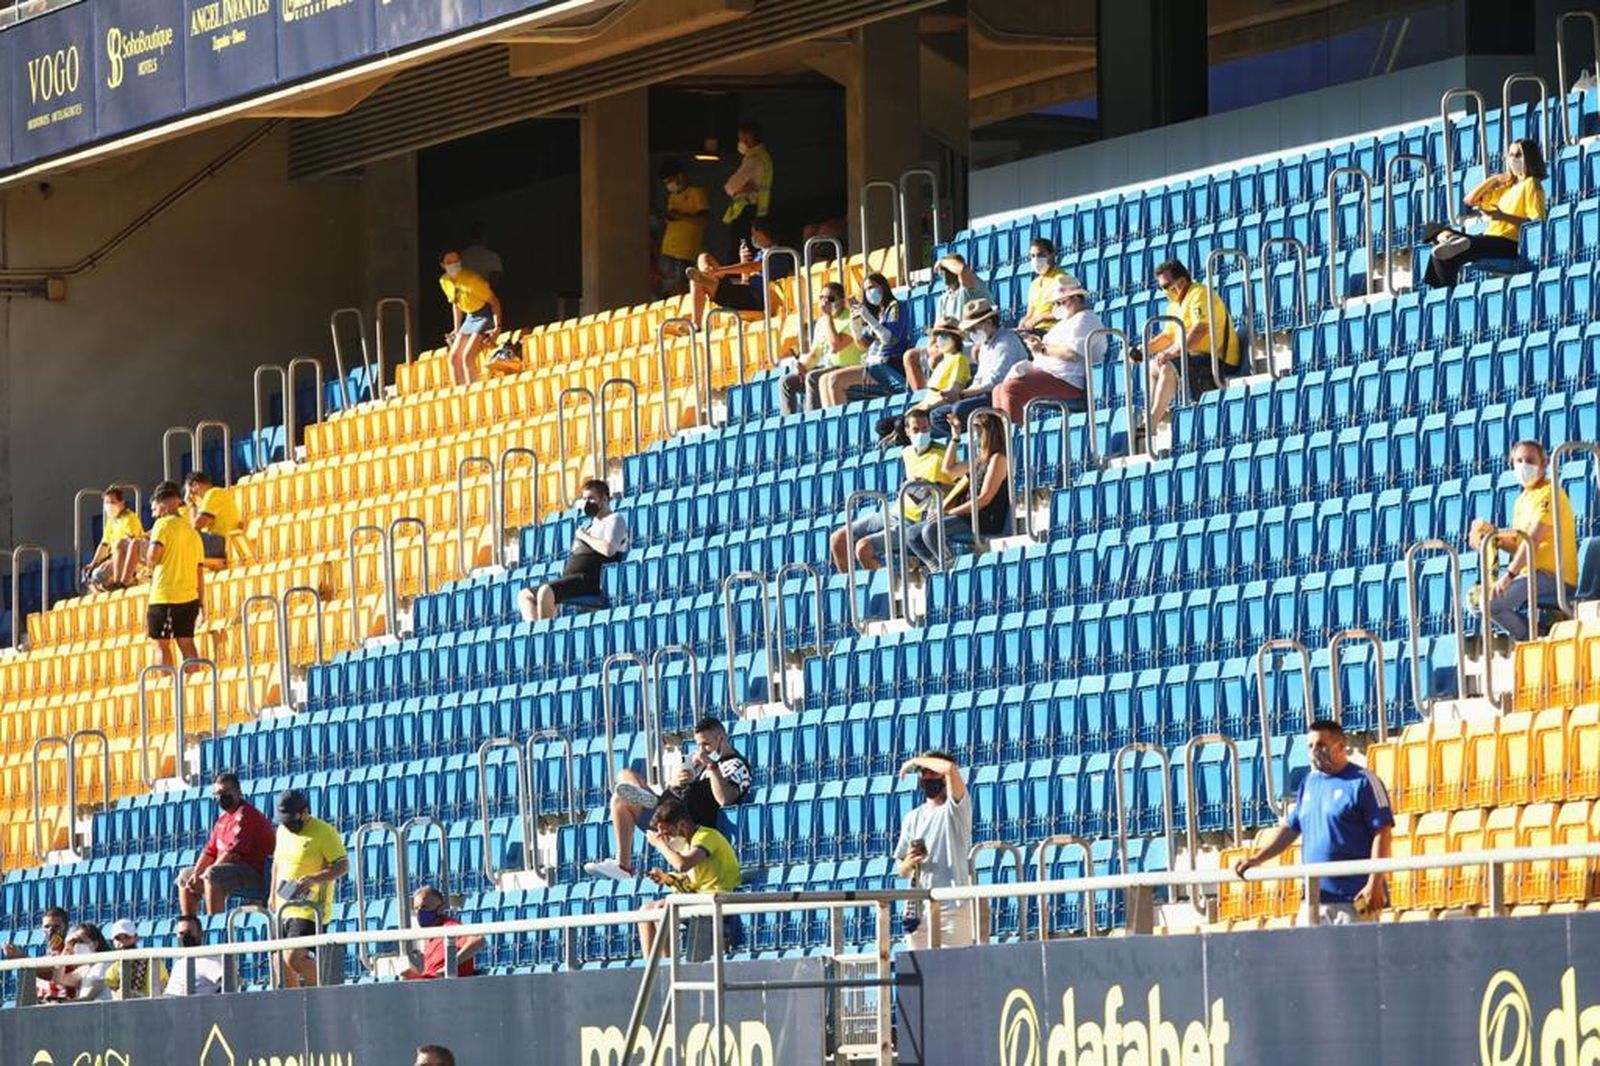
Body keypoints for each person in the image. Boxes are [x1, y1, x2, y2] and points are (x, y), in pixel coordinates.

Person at [1233, 720, 1393, 926]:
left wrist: (1375, 882)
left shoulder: (1363, 781)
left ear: (1341, 746)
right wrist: (1257, 858)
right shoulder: (1309, 782)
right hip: (1313, 897)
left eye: (1321, 745)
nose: (1314, 751)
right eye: (1310, 746)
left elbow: (1383, 832)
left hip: (1354, 897)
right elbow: (1291, 828)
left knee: (1358, 958)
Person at [585, 716, 751, 881]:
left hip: (682, 823)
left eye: (706, 744)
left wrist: (711, 766)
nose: (701, 750)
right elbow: (675, 786)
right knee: (625, 774)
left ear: (721, 739)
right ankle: (643, 796)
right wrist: (676, 780)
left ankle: (623, 866)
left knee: (619, 799)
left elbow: (725, 799)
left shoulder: (735, 765)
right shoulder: (698, 759)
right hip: (669, 804)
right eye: (698, 745)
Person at [1468, 439, 1580, 642]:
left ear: (1544, 464)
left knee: (1491, 603)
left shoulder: (1551, 493)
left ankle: (1535, 636)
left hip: (1554, 576)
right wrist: (1493, 537)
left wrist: (1508, 576)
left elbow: (1533, 540)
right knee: (1480, 601)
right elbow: (1520, 546)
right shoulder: (1521, 501)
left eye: (1530, 460)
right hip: (1531, 574)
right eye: (1519, 460)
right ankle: (1537, 633)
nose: (1524, 466)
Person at [829, 407, 956, 574]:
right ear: (907, 432)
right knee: (838, 538)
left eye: (925, 429)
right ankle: (850, 592)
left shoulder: (942, 456)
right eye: (916, 430)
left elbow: (959, 488)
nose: (921, 434)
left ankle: (882, 591)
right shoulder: (908, 452)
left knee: (863, 548)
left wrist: (934, 486)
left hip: (915, 521)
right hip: (894, 512)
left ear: (930, 428)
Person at [1424, 138, 1547, 289]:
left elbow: (1537, 223)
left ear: (1529, 158)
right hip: (1490, 238)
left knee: (1451, 253)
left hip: (1510, 243)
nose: (1513, 159)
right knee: (1432, 229)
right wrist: (1494, 179)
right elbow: (1470, 200)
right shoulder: (1507, 188)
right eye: (1510, 155)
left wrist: (1503, 217)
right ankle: (1449, 239)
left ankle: (1443, 295)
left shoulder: (1532, 184)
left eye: (1518, 155)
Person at [1140, 258, 1242, 435]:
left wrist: (1172, 352)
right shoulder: (1175, 304)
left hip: (1219, 359)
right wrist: (1143, 350)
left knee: (1168, 367)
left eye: (1166, 286)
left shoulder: (1199, 294)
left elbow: (1199, 329)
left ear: (1181, 281)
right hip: (1196, 358)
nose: (1164, 291)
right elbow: (1168, 336)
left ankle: (1152, 422)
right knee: (1152, 366)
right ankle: (1151, 415)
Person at [634, 797, 743, 959]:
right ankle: (649, 967)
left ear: (682, 825)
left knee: (661, 909)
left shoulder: (706, 836)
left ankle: (668, 965)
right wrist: (666, 878)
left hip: (720, 897)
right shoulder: (687, 844)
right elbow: (691, 882)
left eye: (668, 832)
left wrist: (661, 845)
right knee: (645, 910)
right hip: (700, 898)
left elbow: (682, 865)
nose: (667, 838)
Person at [905, 411, 1012, 571]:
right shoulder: (979, 460)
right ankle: (937, 567)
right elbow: (949, 469)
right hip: (967, 514)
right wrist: (955, 436)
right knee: (912, 534)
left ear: (989, 432)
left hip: (984, 517)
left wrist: (949, 513)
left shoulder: (998, 459)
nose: (974, 436)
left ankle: (951, 567)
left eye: (977, 431)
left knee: (931, 530)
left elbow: (984, 499)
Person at [994, 273, 1105, 423]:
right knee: (998, 390)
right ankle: (1000, 439)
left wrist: (1043, 349)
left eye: (1061, 302)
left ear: (1076, 298)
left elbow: (1071, 354)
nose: (1057, 307)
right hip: (1050, 375)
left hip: (1068, 379)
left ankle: (1012, 440)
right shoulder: (1063, 323)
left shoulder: (1085, 318)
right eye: (1056, 303)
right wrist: (1036, 347)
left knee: (1011, 389)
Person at [517, 479, 630, 622]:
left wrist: (584, 537)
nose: (587, 503)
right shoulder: (590, 525)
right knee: (525, 595)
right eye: (584, 499)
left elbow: (609, 550)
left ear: (604, 499)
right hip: (571, 578)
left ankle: (546, 637)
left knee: (545, 592)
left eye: (591, 498)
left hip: (589, 579)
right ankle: (536, 637)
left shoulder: (615, 519)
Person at [892, 752, 974, 949]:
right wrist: (909, 863)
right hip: (919, 910)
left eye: (933, 772)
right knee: (920, 976)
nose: (928, 777)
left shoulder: (955, 809)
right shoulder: (913, 818)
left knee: (955, 972)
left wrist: (913, 762)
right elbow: (900, 869)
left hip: (952, 907)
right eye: (924, 773)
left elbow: (950, 769)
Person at [271, 788, 349, 989]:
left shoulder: (325, 832)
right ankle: (295, 1007)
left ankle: (329, 991)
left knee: (294, 957)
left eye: (292, 819)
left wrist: (315, 879)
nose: (288, 825)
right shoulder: (282, 831)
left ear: (305, 812)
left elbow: (342, 865)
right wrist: (272, 895)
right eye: (284, 820)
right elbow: (277, 864)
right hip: (283, 905)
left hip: (309, 908)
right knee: (279, 961)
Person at [926, 298, 1028, 437]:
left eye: (974, 328)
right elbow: (979, 379)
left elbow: (995, 381)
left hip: (1002, 394)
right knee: (937, 415)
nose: (971, 333)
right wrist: (961, 394)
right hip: (983, 393)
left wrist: (962, 395)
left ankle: (986, 436)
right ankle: (979, 436)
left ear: (988, 323)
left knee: (958, 409)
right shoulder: (985, 346)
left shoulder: (1006, 341)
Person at [177, 772, 275, 916]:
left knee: (212, 874)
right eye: (217, 794)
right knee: (185, 876)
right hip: (230, 871)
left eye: (225, 793)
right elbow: (209, 851)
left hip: (256, 873)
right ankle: (190, 926)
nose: (220, 797)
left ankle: (215, 925)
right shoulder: (222, 820)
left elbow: (231, 854)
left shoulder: (246, 815)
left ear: (238, 793)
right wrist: (196, 875)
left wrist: (203, 877)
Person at [813, 273, 911, 407]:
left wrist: (868, 318)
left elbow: (890, 339)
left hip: (889, 365)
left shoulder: (895, 306)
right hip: (873, 365)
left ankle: (842, 424)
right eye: (865, 290)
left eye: (872, 287)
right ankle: (832, 422)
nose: (869, 293)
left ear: (883, 287)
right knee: (824, 379)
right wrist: (856, 328)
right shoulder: (876, 313)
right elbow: (862, 345)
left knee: (835, 380)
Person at [872, 320, 970, 447]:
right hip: (924, 407)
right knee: (882, 426)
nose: (939, 340)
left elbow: (953, 394)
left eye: (944, 336)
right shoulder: (942, 362)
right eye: (938, 336)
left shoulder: (958, 359)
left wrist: (926, 409)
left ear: (955, 339)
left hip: (937, 408)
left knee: (900, 424)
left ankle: (902, 446)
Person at [905, 255, 990, 392]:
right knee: (910, 356)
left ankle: (944, 396)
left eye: (945, 270)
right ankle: (922, 397)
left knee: (937, 359)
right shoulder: (944, 298)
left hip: (971, 343)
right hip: (948, 342)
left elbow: (962, 270)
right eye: (940, 271)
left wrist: (942, 261)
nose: (941, 274)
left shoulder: (971, 288)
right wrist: (932, 346)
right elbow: (937, 329)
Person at [145, 480, 205, 671]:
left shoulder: (162, 525)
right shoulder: (192, 531)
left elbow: (153, 556)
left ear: (163, 503)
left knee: (161, 646)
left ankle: (166, 693)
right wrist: (201, 602)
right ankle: (195, 687)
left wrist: (145, 558)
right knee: (187, 644)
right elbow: (199, 571)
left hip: (164, 596)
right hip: (189, 597)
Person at [686, 219, 789, 328]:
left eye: (754, 233)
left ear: (764, 233)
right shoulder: (760, 254)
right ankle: (707, 274)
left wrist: (720, 270)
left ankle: (696, 322)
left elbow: (753, 267)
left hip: (755, 299)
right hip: (745, 292)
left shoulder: (777, 254)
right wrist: (743, 261)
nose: (752, 237)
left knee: (696, 282)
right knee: (704, 257)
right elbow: (746, 279)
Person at [779, 282, 862, 413]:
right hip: (829, 367)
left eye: (830, 299)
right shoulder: (822, 323)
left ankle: (813, 418)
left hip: (847, 367)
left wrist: (828, 316)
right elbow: (815, 355)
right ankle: (789, 422)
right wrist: (802, 366)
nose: (825, 302)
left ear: (841, 301)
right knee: (786, 381)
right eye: (822, 298)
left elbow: (836, 345)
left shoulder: (850, 318)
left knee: (813, 377)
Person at [438, 250, 503, 387]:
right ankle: (460, 394)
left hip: (484, 314)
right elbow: (456, 304)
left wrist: (497, 327)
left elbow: (494, 301)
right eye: (449, 262)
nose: (454, 265)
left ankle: (474, 392)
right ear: (443, 265)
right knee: (454, 358)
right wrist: (456, 329)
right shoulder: (444, 281)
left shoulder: (471, 279)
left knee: (468, 356)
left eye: (456, 261)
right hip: (470, 317)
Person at [399, 885, 485, 980]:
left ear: (440, 909)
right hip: (432, 986)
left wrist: (449, 966)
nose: (420, 913)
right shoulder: (429, 934)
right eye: (416, 908)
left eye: (425, 907)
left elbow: (478, 939)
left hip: (452, 987)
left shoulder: (449, 927)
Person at [1, 907, 80, 1002]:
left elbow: (50, 973)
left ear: (66, 927)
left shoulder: (71, 953)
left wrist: (21, 957)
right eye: (47, 927)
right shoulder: (44, 958)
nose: (51, 931)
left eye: (56, 927)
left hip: (63, 1007)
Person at [658, 159, 710, 297]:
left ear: (680, 176)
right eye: (666, 182)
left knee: (680, 288)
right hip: (668, 247)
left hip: (686, 249)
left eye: (670, 180)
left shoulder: (697, 193)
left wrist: (682, 216)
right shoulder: (672, 196)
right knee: (666, 287)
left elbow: (703, 219)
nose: (669, 185)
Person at [721, 121, 773, 245]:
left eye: (741, 139)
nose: (739, 143)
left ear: (748, 137)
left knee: (744, 252)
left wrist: (737, 190)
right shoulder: (764, 156)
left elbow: (731, 187)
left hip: (747, 211)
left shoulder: (754, 159)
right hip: (758, 211)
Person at [83, 487, 144, 592]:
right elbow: (104, 545)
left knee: (99, 575)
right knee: (88, 575)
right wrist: (93, 563)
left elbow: (129, 546)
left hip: (130, 561)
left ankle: (123, 584)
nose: (109, 506)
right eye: (106, 503)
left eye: (112, 502)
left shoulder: (129, 518)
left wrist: (112, 561)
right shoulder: (111, 521)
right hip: (114, 559)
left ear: (121, 503)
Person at [183, 470, 242, 571]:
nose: (190, 497)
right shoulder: (211, 498)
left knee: (179, 539)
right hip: (218, 541)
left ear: (195, 486)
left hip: (223, 542)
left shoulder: (213, 493)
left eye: (189, 492)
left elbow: (196, 525)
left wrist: (191, 505)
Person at [104, 919, 168, 1000]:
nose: (123, 942)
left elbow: (161, 988)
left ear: (136, 938)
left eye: (126, 937)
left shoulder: (153, 962)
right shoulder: (113, 968)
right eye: (118, 938)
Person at [164, 915, 224, 996]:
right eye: (181, 933)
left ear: (200, 934)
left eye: (189, 933)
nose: (185, 937)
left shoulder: (209, 960)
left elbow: (231, 981)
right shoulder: (180, 960)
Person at [1016, 239, 1067, 332]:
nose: (1036, 260)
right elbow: (1030, 313)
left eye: (1040, 255)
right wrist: (1023, 322)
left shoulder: (1062, 279)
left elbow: (1066, 311)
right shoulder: (1034, 284)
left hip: (1054, 331)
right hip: (1035, 331)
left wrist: (1040, 318)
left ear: (1052, 256)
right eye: (1032, 256)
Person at [57, 922, 114, 1002]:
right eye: (74, 942)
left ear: (94, 944)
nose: (76, 946)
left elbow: (88, 998)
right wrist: (65, 950)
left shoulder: (104, 964)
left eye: (80, 941)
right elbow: (58, 979)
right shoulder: (85, 969)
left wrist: (63, 1003)